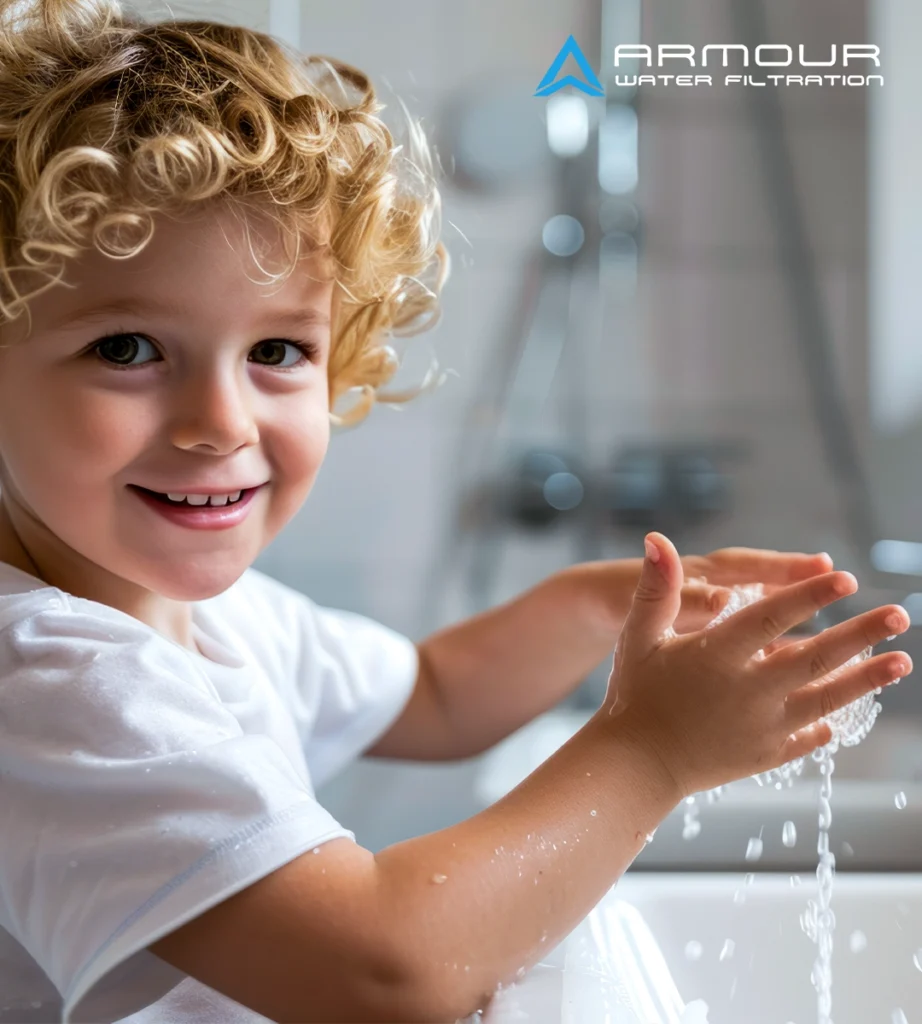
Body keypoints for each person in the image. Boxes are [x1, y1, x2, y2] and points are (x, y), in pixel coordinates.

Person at [0, 2, 911, 1022]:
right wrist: (650, 750)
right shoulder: (49, 678)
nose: (220, 423)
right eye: (126, 349)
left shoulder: (201, 613)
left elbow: (432, 695)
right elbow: (383, 970)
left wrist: (599, 605)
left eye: (277, 351)